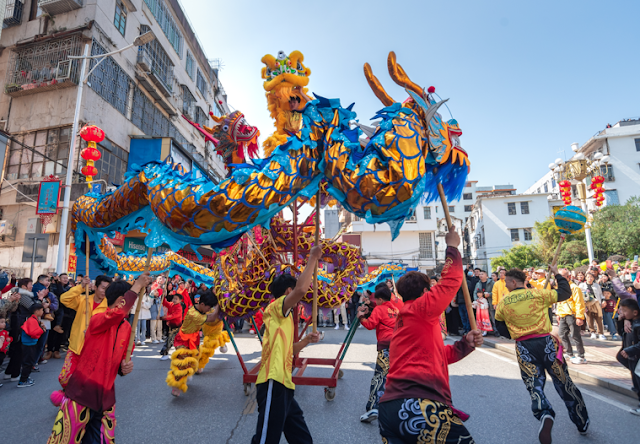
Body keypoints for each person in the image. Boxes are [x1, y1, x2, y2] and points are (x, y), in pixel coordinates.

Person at [378, 228, 483, 443]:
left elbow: (435, 355)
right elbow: (451, 281)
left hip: (390, 409)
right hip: (418, 404)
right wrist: (452, 247)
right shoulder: (420, 308)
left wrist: (464, 344)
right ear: (427, 293)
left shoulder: (406, 320)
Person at [46, 273, 152, 444]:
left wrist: (124, 368)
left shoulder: (127, 329)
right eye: (132, 299)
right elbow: (116, 314)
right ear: (120, 301)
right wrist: (136, 286)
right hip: (81, 392)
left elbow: (120, 362)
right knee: (64, 440)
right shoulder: (97, 319)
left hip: (106, 397)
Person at [495, 267, 589, 443]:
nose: (505, 284)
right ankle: (581, 421)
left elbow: (499, 325)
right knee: (564, 383)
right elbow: (564, 292)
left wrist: (514, 333)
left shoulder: (504, 302)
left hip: (524, 346)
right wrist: (557, 274)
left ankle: (544, 412)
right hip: (547, 343)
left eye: (506, 281)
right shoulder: (539, 294)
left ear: (514, 282)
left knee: (534, 384)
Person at [251, 246, 322, 444]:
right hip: (272, 380)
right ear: (287, 292)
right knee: (266, 439)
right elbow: (301, 289)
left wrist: (306, 341)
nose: (298, 299)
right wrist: (313, 258)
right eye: (294, 294)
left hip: (284, 383)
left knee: (301, 436)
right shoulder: (277, 307)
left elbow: (290, 350)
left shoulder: (284, 317)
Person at [52, 275, 112, 404]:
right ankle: (70, 395)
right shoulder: (83, 300)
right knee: (65, 377)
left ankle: (75, 402)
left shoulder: (109, 306)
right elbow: (64, 299)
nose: (104, 291)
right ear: (95, 287)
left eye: (107, 289)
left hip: (94, 350)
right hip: (76, 346)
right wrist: (80, 287)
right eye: (102, 287)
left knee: (87, 380)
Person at [166, 288, 228, 396]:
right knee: (182, 363)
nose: (209, 309)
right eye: (209, 307)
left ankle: (185, 376)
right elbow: (212, 318)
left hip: (193, 339)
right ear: (203, 304)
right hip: (183, 339)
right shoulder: (194, 314)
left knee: (192, 362)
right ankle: (176, 387)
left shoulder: (199, 309)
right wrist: (219, 303)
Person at [357, 285, 401, 423]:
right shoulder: (396, 308)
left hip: (386, 347)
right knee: (396, 378)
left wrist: (361, 317)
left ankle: (373, 407)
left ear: (380, 299)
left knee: (379, 377)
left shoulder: (379, 308)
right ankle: (397, 407)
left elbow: (370, 324)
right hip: (400, 347)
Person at [615, 298, 640, 415]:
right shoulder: (630, 322)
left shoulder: (638, 324)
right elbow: (621, 333)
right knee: (636, 382)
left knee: (638, 383)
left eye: (624, 311)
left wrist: (630, 350)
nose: (621, 313)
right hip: (631, 358)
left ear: (635, 312)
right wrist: (620, 321)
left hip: (636, 357)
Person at [557, 269, 587, 364]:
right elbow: (559, 302)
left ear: (568, 277)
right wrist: (558, 313)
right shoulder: (560, 288)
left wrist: (579, 317)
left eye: (562, 277)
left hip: (572, 314)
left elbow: (579, 303)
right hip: (563, 314)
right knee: (562, 334)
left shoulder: (574, 288)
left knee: (575, 335)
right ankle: (569, 353)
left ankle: (581, 356)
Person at [19, 303, 45, 387]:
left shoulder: (34, 319)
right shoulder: (32, 320)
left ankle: (25, 378)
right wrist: (41, 329)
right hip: (28, 344)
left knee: (29, 361)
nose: (43, 312)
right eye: (41, 310)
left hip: (30, 343)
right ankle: (23, 380)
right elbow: (33, 333)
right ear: (37, 311)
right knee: (28, 362)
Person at [578, 273, 605, 340]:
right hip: (587, 303)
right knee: (589, 318)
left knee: (598, 318)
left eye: (591, 277)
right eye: (588, 277)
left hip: (596, 302)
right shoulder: (581, 285)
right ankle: (592, 332)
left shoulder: (597, 285)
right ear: (586, 278)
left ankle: (601, 333)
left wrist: (603, 300)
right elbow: (579, 294)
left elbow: (600, 294)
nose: (590, 278)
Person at [159, 293, 183, 361]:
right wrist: (163, 297)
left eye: (176, 299)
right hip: (170, 325)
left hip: (176, 326)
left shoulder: (179, 307)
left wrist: (164, 317)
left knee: (170, 340)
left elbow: (174, 315)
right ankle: (178, 353)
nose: (174, 300)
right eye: (174, 298)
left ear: (180, 300)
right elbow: (165, 303)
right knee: (173, 340)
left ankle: (165, 353)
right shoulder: (171, 304)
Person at [474, 271, 497, 336]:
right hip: (481, 304)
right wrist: (476, 299)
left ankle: (496, 330)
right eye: (480, 274)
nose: (480, 275)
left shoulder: (492, 282)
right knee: (483, 318)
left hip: (490, 302)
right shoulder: (478, 283)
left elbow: (495, 292)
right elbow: (475, 292)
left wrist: (489, 294)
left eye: (482, 274)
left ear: (486, 275)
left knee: (493, 317)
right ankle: (485, 330)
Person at [149, 276, 165, 344]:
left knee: (159, 325)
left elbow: (162, 295)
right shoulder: (154, 286)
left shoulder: (161, 287)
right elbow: (151, 293)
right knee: (153, 325)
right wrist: (156, 288)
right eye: (160, 278)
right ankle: (153, 338)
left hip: (159, 309)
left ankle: (159, 337)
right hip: (154, 310)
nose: (161, 280)